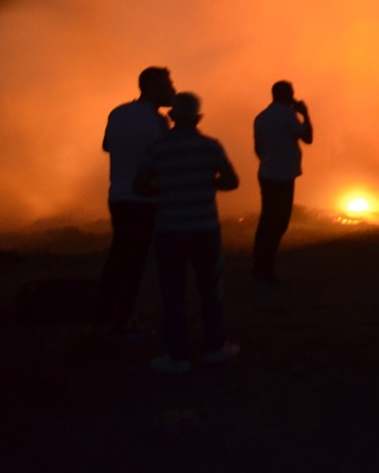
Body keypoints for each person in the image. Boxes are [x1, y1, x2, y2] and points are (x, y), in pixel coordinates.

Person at [134, 92, 240, 374]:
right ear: (198, 118)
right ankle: (216, 348)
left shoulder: (158, 147)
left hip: (170, 229)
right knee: (210, 290)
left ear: (171, 117)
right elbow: (232, 181)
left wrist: (164, 189)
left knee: (172, 293)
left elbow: (139, 185)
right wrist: (206, 183)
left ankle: (177, 356)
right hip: (204, 228)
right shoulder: (210, 147)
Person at [95, 66, 176, 340]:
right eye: (168, 85)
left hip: (118, 196)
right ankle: (124, 323)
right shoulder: (158, 121)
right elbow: (167, 157)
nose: (172, 90)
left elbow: (107, 145)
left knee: (118, 256)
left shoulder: (118, 113)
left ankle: (105, 316)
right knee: (136, 264)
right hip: (145, 198)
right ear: (153, 87)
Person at [252, 80, 313, 283]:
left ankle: (259, 265)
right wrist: (305, 114)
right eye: (291, 94)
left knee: (266, 220)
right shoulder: (289, 116)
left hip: (267, 172)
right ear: (286, 95)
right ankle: (266, 269)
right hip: (283, 175)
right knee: (279, 223)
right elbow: (308, 138)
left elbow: (258, 149)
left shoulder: (261, 117)